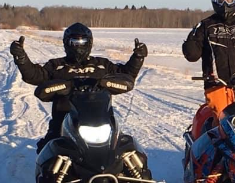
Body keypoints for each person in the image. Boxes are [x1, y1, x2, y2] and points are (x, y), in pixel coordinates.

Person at [9, 22, 147, 153]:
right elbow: (34, 76)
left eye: (83, 42)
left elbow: (126, 76)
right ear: (66, 43)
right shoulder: (56, 65)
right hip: (64, 118)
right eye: (74, 42)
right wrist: (21, 58)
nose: (79, 47)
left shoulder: (102, 65)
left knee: (128, 147)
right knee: (47, 149)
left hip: (100, 117)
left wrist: (137, 58)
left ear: (90, 43)